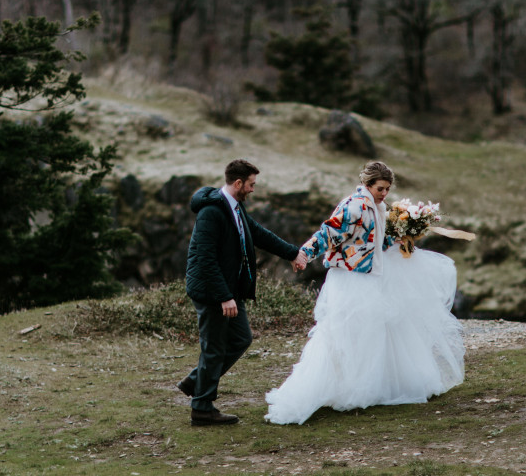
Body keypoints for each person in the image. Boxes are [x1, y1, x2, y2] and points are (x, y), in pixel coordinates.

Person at [264, 161, 464, 425]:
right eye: (380, 188)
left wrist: (403, 237)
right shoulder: (354, 206)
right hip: (350, 279)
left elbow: (374, 242)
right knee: (347, 334)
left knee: (375, 332)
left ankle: (374, 386)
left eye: (387, 189)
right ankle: (339, 387)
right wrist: (303, 254)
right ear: (368, 184)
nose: (384, 194)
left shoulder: (378, 207)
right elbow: (329, 233)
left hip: (370, 278)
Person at [181, 159, 307, 426]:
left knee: (241, 339)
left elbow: (259, 234)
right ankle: (202, 408)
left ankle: (196, 381)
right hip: (212, 291)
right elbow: (205, 259)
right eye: (251, 185)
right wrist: (224, 296)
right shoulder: (211, 212)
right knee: (214, 347)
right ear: (238, 183)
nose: (252, 190)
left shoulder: (234, 208)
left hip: (229, 289)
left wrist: (293, 253)